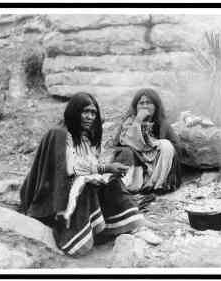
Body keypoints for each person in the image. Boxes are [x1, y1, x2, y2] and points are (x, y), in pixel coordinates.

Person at [19, 92, 146, 257]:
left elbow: (91, 164)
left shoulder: (84, 137)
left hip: (72, 184)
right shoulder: (59, 134)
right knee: (87, 185)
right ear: (74, 111)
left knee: (112, 182)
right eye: (85, 111)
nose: (90, 117)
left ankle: (125, 227)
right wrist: (104, 168)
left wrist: (106, 172)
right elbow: (70, 168)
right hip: (49, 197)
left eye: (93, 113)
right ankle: (78, 236)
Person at [113, 88, 182, 195]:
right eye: (141, 103)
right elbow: (121, 144)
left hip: (156, 167)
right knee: (127, 153)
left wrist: (156, 149)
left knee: (167, 145)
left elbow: (177, 147)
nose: (144, 106)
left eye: (148, 103)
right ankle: (133, 185)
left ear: (155, 106)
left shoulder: (163, 124)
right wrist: (138, 121)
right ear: (136, 107)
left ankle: (156, 184)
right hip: (136, 163)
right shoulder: (128, 122)